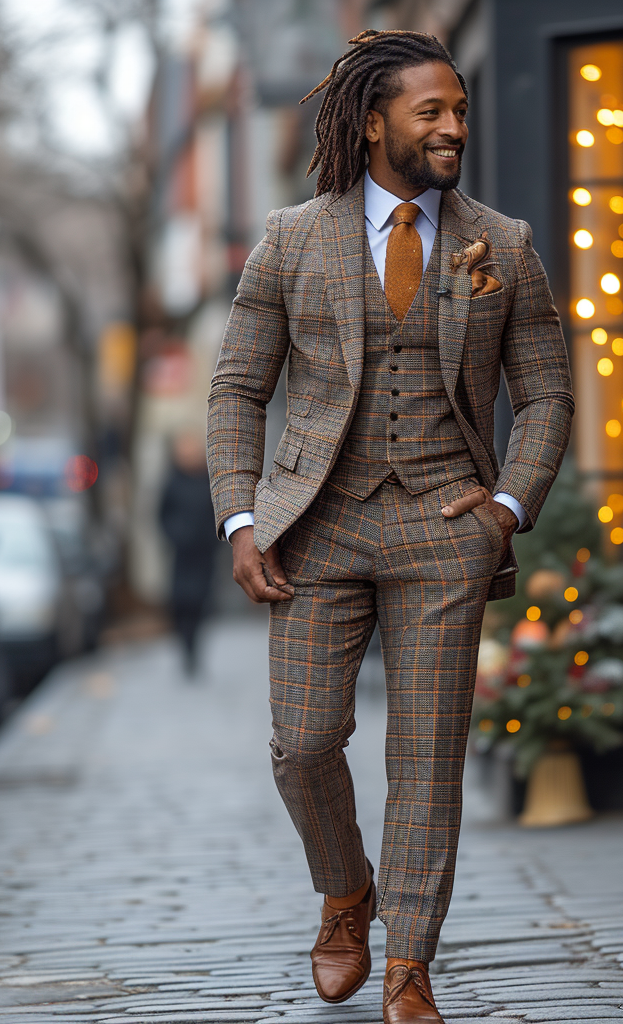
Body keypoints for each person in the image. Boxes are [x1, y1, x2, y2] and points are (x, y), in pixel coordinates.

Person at [207, 30, 573, 1023]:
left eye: (460, 109)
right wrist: (242, 516)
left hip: (446, 526)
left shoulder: (503, 244)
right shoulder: (291, 237)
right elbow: (238, 387)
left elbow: (545, 395)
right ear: (374, 123)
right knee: (303, 740)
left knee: (427, 756)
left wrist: (505, 508)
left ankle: (409, 962)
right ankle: (345, 890)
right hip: (314, 524)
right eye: (432, 112)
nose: (455, 125)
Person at [159, 432, 216, 675]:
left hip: (205, 554)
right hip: (181, 555)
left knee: (201, 603)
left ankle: (194, 649)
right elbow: (161, 515)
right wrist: (175, 535)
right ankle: (184, 647)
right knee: (181, 602)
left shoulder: (207, 481)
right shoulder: (172, 482)